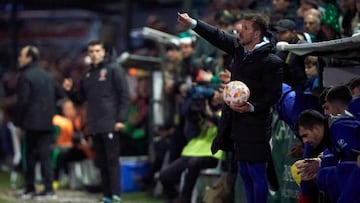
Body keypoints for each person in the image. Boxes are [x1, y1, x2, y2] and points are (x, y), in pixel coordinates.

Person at [177, 12, 284, 203]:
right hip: (236, 121)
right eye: (241, 26)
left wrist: (252, 107)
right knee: (244, 170)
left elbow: (274, 95)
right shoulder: (238, 49)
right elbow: (217, 36)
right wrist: (193, 23)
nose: (240, 31)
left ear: (257, 33)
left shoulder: (271, 61)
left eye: (246, 28)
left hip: (257, 123)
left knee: (256, 170)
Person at [63, 40, 129, 203]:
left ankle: (116, 195)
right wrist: (70, 91)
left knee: (112, 160)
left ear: (104, 52)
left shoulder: (114, 69)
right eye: (91, 51)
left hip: (110, 122)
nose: (94, 54)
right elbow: (80, 99)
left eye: (97, 51)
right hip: (94, 124)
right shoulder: (87, 74)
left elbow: (124, 95)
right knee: (101, 161)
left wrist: (120, 119)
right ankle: (106, 195)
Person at [14, 45, 65, 200]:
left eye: (21, 55)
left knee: (29, 157)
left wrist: (18, 123)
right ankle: (49, 190)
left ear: (29, 58)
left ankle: (30, 189)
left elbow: (23, 102)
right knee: (45, 157)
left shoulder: (26, 76)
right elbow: (60, 94)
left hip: (30, 123)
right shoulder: (48, 76)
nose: (19, 58)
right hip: (47, 122)